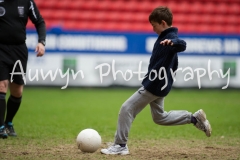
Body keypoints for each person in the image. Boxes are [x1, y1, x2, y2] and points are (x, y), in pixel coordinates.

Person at [101, 6, 212, 155]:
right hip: (160, 85)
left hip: (155, 85)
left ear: (163, 23)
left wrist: (172, 43)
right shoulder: (164, 37)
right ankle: (193, 118)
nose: (153, 29)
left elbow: (182, 44)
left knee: (126, 108)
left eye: (154, 25)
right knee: (160, 117)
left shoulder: (171, 38)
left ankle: (120, 145)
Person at [0, 0, 46, 139]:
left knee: (17, 91)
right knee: (2, 86)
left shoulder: (27, 2)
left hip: (19, 50)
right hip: (0, 48)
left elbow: (40, 22)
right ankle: (0, 126)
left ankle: (8, 122)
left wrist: (41, 41)